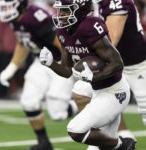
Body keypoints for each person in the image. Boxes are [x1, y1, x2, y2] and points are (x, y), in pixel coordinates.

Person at [39, 0, 136, 149]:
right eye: (60, 11)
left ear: (79, 10)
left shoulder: (90, 27)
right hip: (97, 91)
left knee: (76, 129)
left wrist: (94, 77)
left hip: (114, 92)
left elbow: (117, 63)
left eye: (66, 11)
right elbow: (67, 71)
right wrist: (50, 63)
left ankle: (122, 145)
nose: (61, 15)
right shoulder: (63, 31)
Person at [0, 0, 78, 150]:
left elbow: (60, 41)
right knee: (29, 101)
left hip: (59, 61)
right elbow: (23, 42)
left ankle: (83, 102)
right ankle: (44, 143)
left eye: (8, 5)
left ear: (20, 4)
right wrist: (11, 68)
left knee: (58, 114)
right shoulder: (15, 19)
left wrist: (71, 66)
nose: (4, 10)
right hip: (41, 60)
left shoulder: (35, 17)